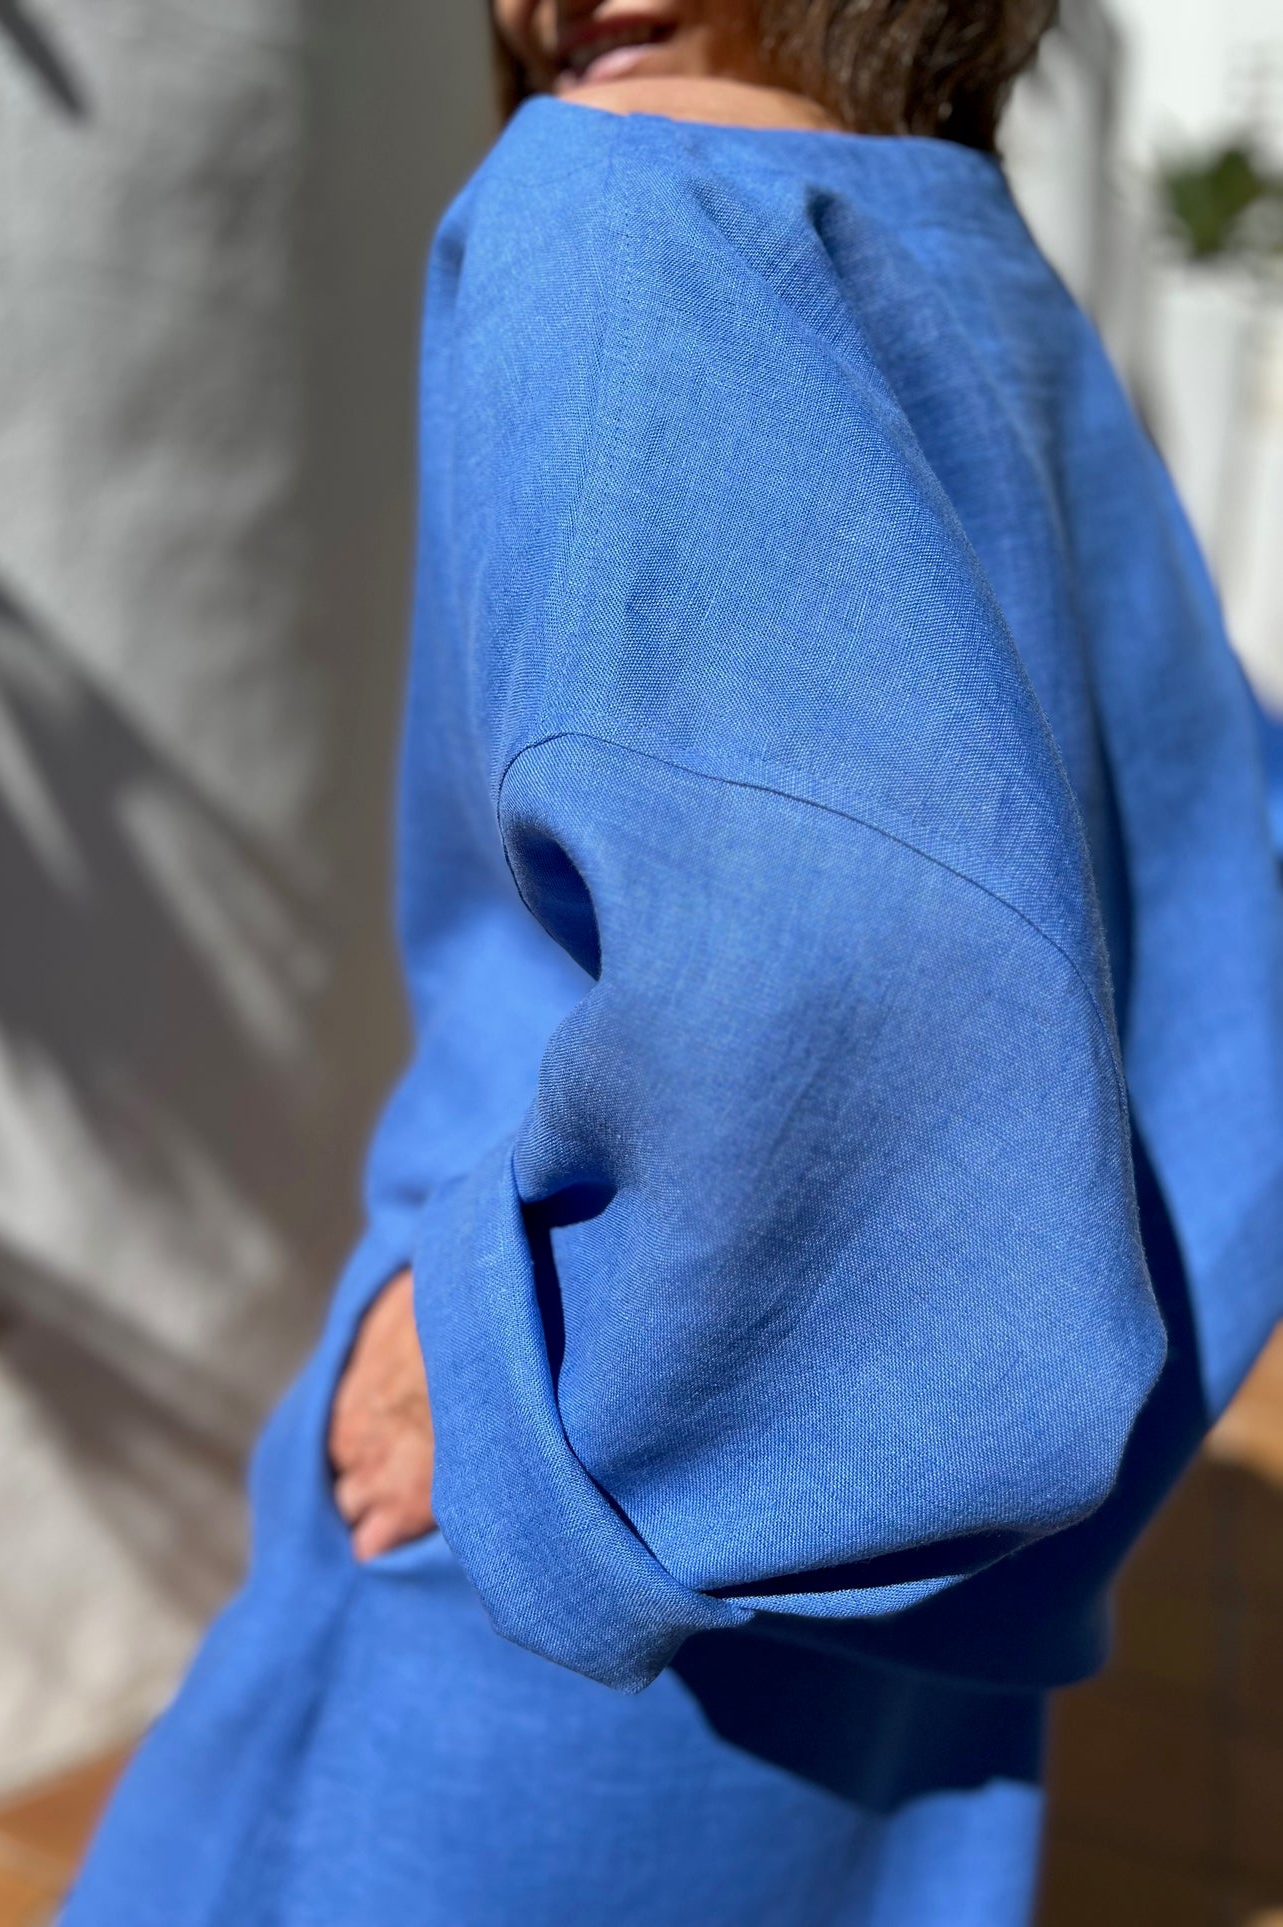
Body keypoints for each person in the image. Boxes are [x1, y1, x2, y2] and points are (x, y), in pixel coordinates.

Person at [65, 4, 1283, 1923]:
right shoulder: (974, 257)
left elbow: (829, 966)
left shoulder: (619, 206)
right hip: (901, 1617)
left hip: (571, 1578)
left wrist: (505, 1378)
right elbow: (1223, 936)